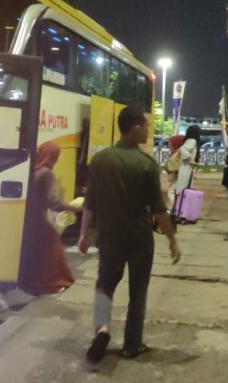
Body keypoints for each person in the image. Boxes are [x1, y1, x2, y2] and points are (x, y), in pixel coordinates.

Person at [78, 107, 181, 363]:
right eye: (145, 126)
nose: (148, 130)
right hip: (139, 239)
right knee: (138, 291)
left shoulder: (101, 160)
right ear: (134, 128)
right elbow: (159, 210)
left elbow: (89, 202)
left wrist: (83, 236)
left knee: (105, 284)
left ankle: (102, 329)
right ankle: (131, 345)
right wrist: (172, 240)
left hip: (109, 237)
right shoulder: (146, 164)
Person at [21, 141, 79, 295]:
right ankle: (53, 283)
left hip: (26, 218)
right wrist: (76, 208)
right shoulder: (46, 173)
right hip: (38, 219)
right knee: (53, 249)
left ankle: (33, 283)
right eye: (56, 156)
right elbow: (55, 202)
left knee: (36, 251)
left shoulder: (31, 170)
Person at [172, 125, 201, 201]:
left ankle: (178, 208)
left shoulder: (188, 140)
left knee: (182, 188)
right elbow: (183, 149)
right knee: (183, 189)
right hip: (186, 168)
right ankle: (180, 208)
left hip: (185, 167)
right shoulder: (193, 141)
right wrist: (190, 158)